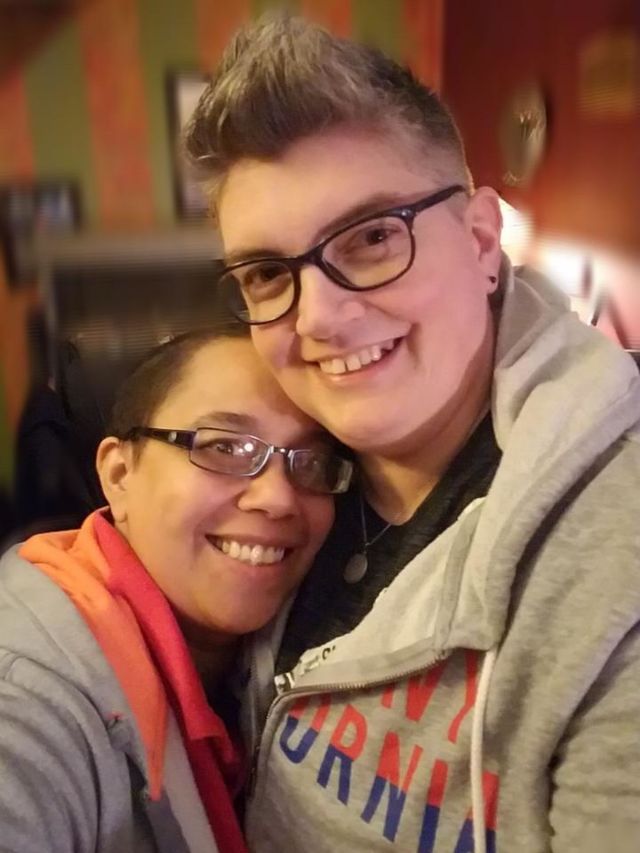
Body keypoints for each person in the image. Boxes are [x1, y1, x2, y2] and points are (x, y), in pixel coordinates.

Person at [184, 15, 640, 853]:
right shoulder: (275, 473)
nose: (320, 318)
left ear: (481, 241)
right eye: (268, 273)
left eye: (371, 238)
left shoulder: (616, 549)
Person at [0, 328, 352, 853]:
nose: (279, 498)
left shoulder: (291, 655)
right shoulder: (32, 691)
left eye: (312, 462)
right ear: (119, 474)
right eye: (225, 446)